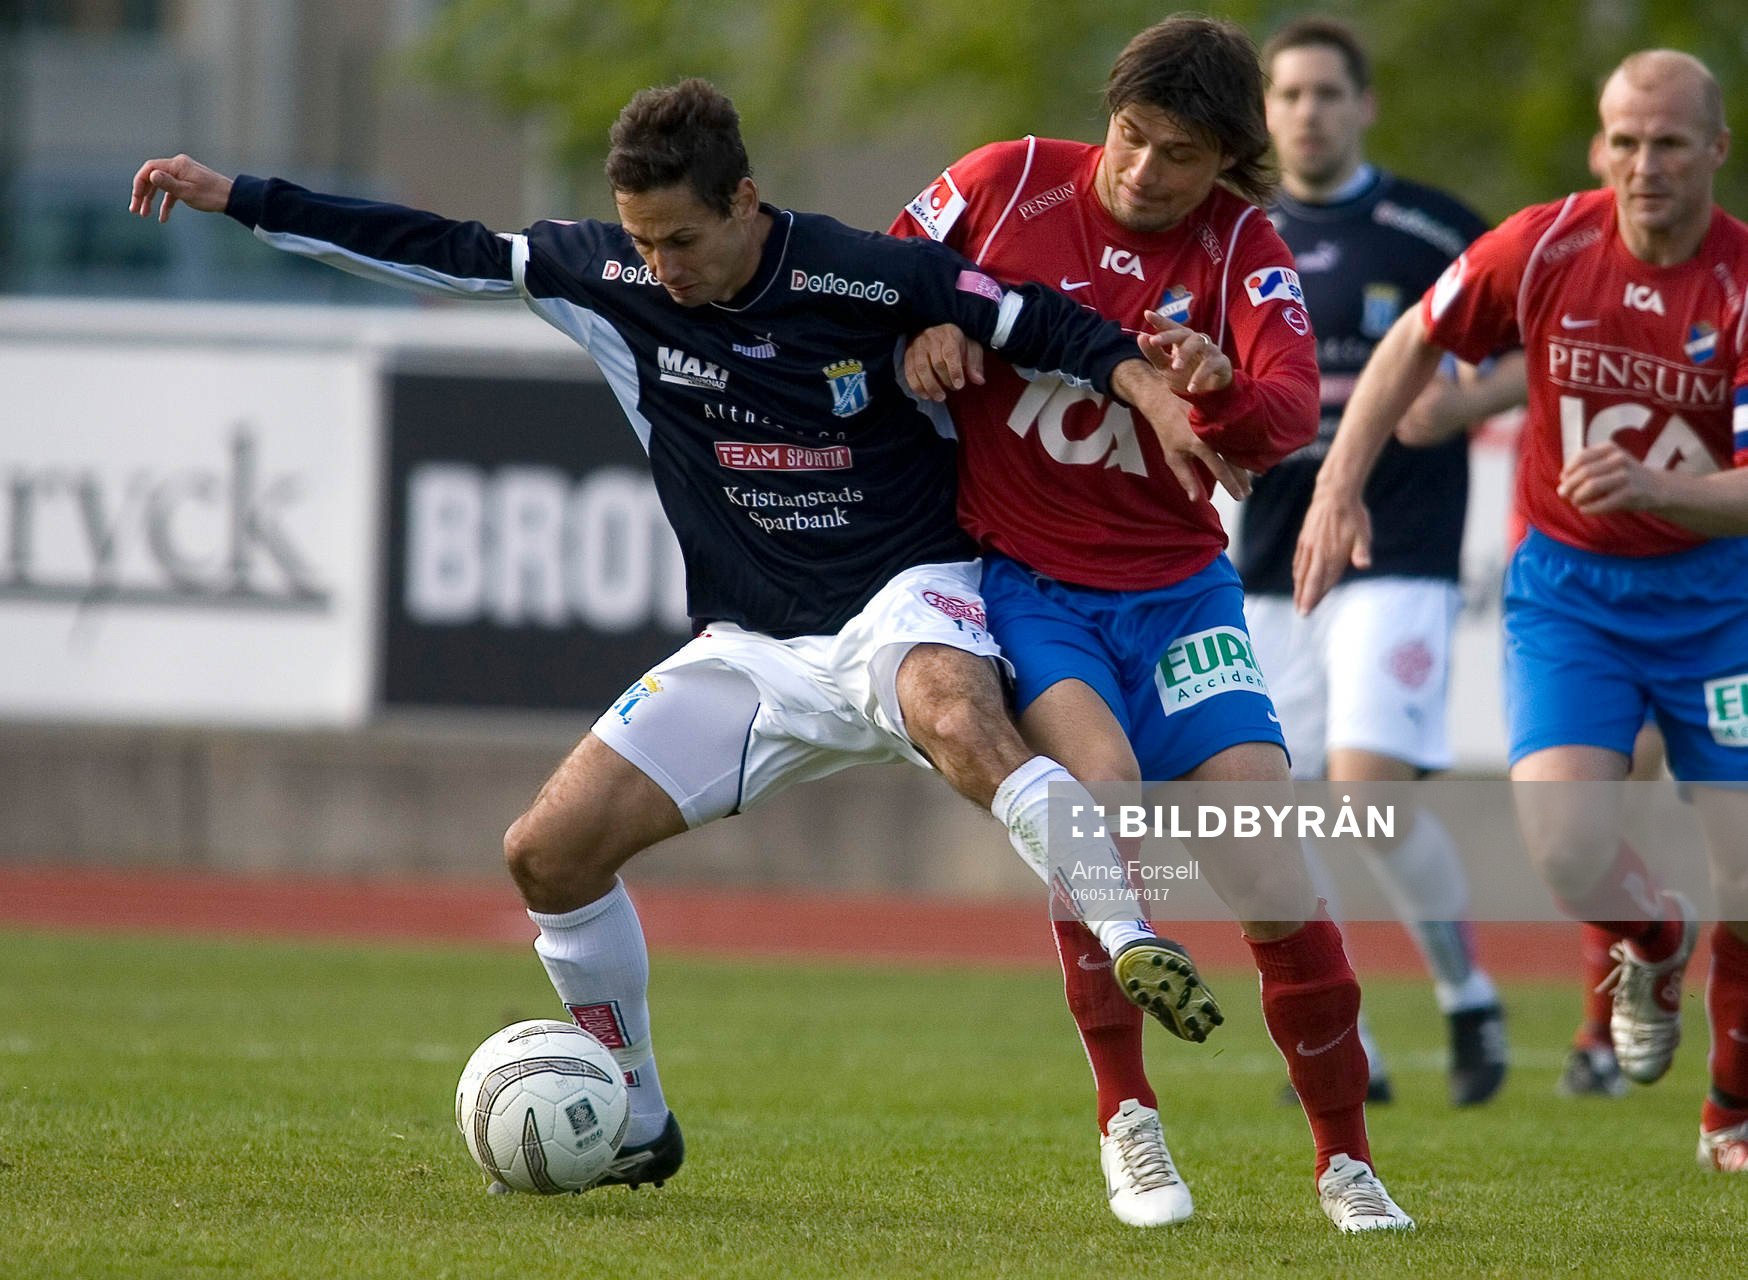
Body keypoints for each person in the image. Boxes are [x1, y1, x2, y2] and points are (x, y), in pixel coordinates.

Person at [130, 79, 1242, 1191]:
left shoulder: (859, 272)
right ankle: (637, 1116)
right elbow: (439, 247)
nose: (660, 265)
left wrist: (1145, 385)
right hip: (749, 648)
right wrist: (241, 197)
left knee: (956, 709)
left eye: (681, 240)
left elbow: (1036, 319)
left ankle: (1126, 929)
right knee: (546, 851)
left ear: (745, 200)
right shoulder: (611, 280)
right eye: (640, 240)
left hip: (901, 600)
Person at [891, 15, 1412, 1231]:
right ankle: (1129, 1120)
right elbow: (871, 272)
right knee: (1100, 800)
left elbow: (1288, 406)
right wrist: (912, 323)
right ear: (1105, 119)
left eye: (1178, 155)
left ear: (1223, 161)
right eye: (1129, 138)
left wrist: (1225, 388)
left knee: (1265, 865)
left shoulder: (1241, 248)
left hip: (1178, 595)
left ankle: (1345, 1160)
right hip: (1026, 584)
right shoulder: (1004, 178)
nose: (1140, 172)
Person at [1295, 49, 1748, 1172]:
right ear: (1600, 146)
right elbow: (1414, 339)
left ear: (1714, 152)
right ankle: (1650, 939)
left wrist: (1661, 491)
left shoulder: (1739, 285)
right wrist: (1336, 480)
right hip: (1569, 594)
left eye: (1670, 144)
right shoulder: (1545, 242)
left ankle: (1728, 1113)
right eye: (1624, 142)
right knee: (1563, 845)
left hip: (1717, 604)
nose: (1644, 166)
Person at [1244, 15, 1518, 1108]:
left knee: (1363, 793)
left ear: (1361, 106)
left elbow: (1537, 342)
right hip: (1267, 561)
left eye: (1325, 92)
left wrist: (1464, 400)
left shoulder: (1428, 227)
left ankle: (1466, 990)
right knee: (1271, 806)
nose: (1306, 111)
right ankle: (1351, 1038)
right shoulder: (1232, 232)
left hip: (1398, 546)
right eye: (1288, 94)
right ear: (1263, 113)